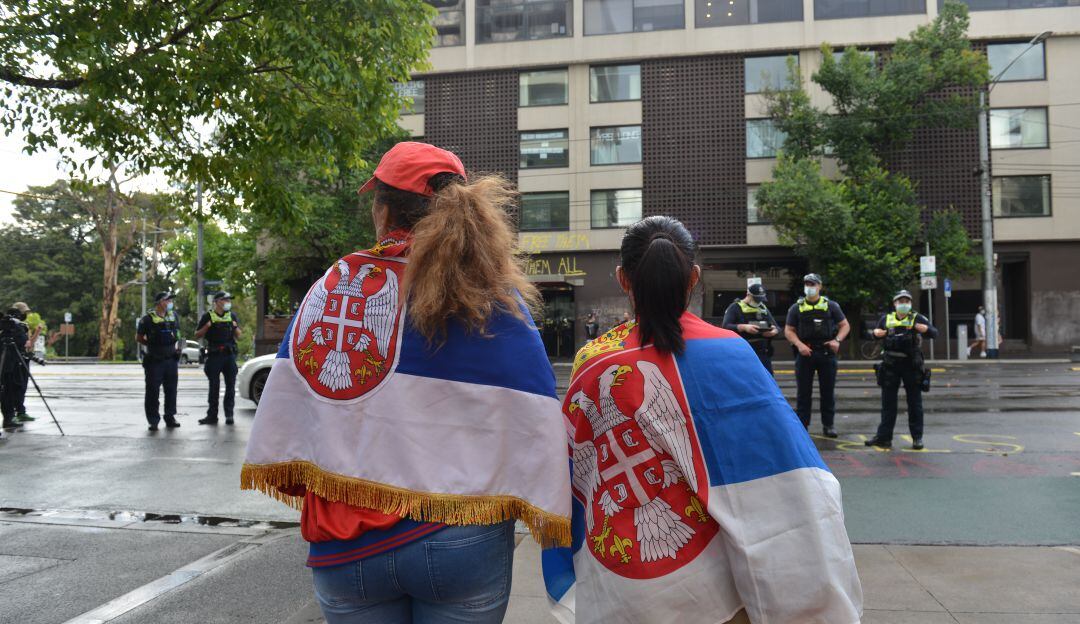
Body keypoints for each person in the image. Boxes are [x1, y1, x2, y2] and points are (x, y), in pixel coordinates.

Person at [241, 142, 571, 623]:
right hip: (460, 534)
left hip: (348, 541)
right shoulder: (494, 295)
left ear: (383, 210)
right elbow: (533, 416)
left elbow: (298, 407)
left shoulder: (337, 284)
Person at [543, 216, 862, 624]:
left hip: (626, 587)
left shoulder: (591, 361)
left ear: (623, 279)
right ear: (694, 277)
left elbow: (576, 474)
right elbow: (787, 474)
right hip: (719, 589)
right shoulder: (732, 351)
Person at [866, 290, 937, 450]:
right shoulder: (886, 319)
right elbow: (874, 334)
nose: (904, 304)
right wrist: (875, 333)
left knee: (915, 403)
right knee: (888, 404)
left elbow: (934, 333)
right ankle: (884, 438)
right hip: (890, 365)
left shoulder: (916, 318)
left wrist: (925, 329)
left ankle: (917, 438)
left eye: (907, 301)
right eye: (901, 301)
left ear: (910, 304)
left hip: (911, 365)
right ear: (895, 304)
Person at [784, 273, 850, 437]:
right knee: (803, 393)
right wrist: (799, 345)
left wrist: (837, 340)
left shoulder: (831, 306)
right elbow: (789, 330)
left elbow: (845, 325)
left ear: (819, 286)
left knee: (827, 391)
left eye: (812, 284)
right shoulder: (796, 307)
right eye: (807, 284)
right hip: (805, 352)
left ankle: (828, 425)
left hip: (826, 352)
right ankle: (802, 426)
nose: (809, 287)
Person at [136, 292, 182, 431]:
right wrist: (152, 345)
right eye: (168, 300)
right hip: (155, 360)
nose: (170, 303)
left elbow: (178, 335)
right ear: (160, 302)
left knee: (171, 390)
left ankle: (170, 417)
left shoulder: (173, 316)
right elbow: (139, 337)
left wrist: (178, 349)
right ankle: (153, 420)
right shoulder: (147, 319)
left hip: (171, 359)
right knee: (152, 391)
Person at [195, 291, 241, 426]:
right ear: (217, 302)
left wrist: (235, 327)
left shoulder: (231, 315)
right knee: (214, 387)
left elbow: (239, 335)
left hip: (229, 355)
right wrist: (207, 326)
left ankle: (229, 415)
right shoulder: (208, 316)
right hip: (214, 355)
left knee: (230, 386)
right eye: (225, 300)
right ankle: (212, 416)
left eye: (229, 300)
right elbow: (197, 335)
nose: (228, 302)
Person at [721, 283, 779, 374]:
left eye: (761, 299)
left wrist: (773, 332)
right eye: (756, 299)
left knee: (767, 378)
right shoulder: (735, 307)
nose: (759, 302)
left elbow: (776, 327)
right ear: (748, 295)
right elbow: (725, 326)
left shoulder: (763, 308)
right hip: (743, 352)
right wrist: (744, 327)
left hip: (762, 353)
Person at [11, 302, 42, 422]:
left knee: (22, 386)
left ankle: (21, 411)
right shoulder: (10, 326)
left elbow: (29, 344)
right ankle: (14, 412)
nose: (26, 314)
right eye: (24, 312)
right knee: (15, 386)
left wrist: (37, 332)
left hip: (24, 359)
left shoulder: (23, 326)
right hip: (13, 360)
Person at [1, 306, 30, 431]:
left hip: (8, 363)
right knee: (8, 391)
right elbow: (23, 341)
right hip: (10, 365)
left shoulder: (8, 327)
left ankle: (9, 418)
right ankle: (9, 418)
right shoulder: (16, 327)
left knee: (6, 392)